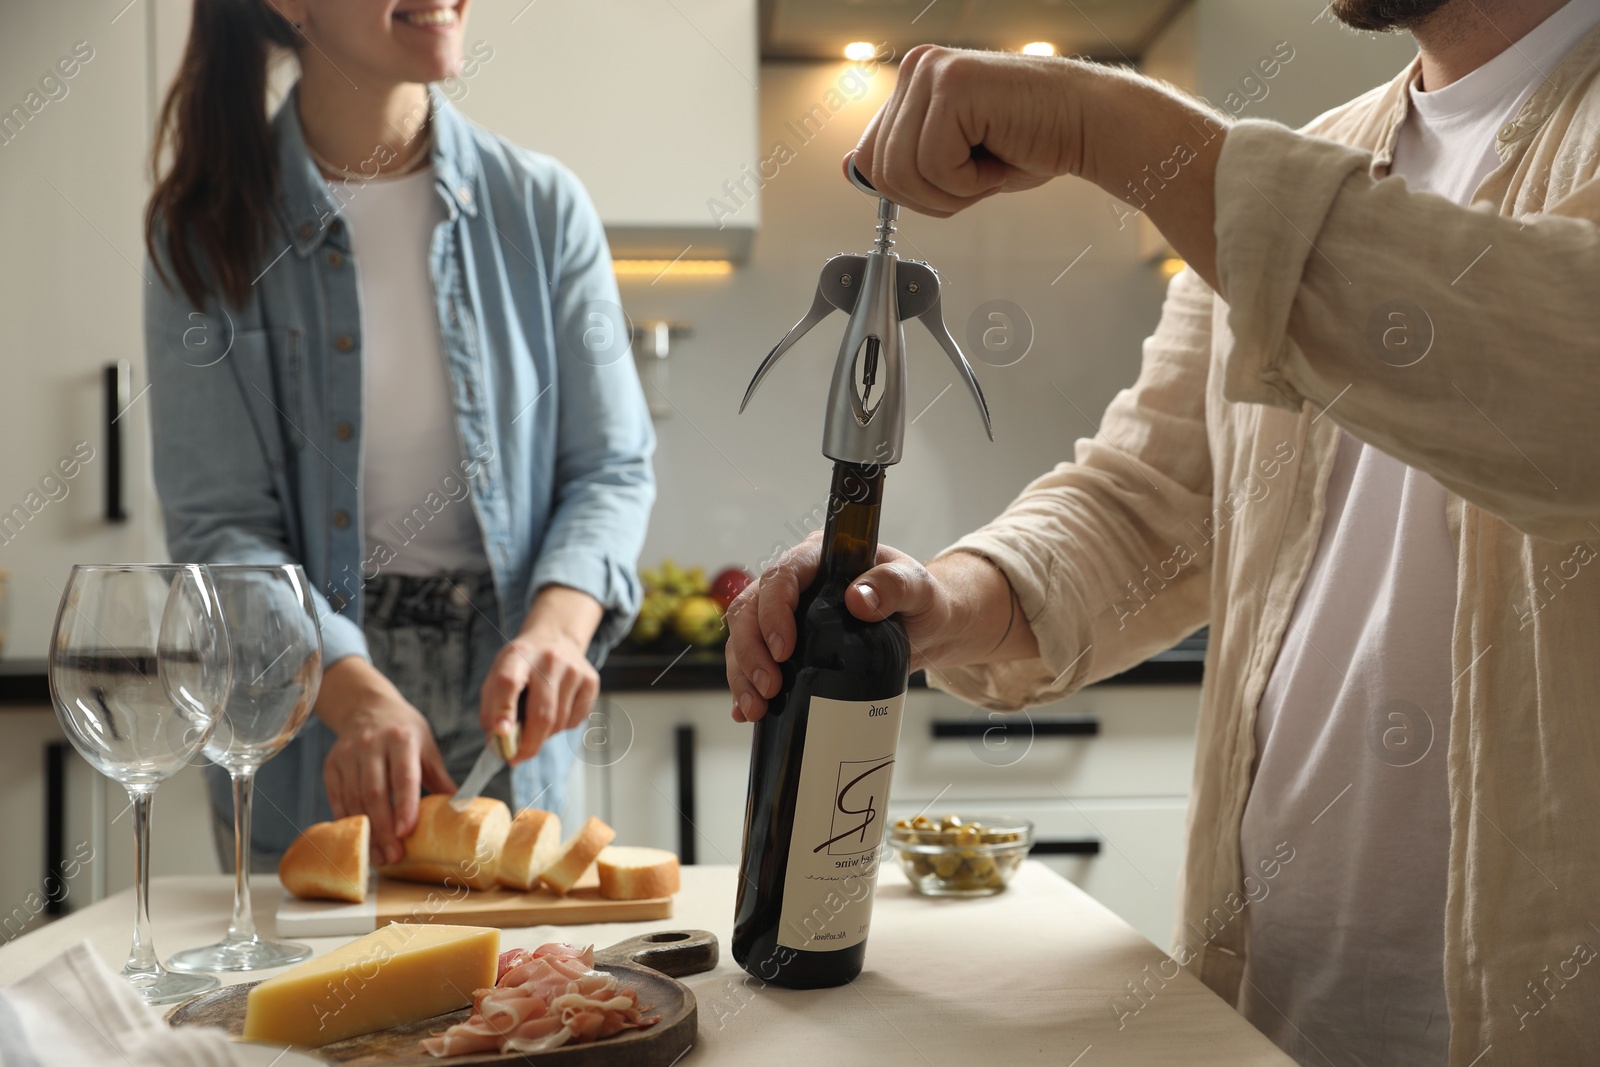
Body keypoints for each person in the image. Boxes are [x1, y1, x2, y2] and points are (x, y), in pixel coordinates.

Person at [726, 1, 1600, 1063]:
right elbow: (1148, 500)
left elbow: (1564, 383)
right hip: (1274, 1005)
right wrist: (951, 598)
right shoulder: (1317, 156)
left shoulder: (1247, 183)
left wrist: (1116, 133)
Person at [143, 0, 654, 871]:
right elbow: (221, 526)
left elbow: (609, 467)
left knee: (518, 1004)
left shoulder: (540, 207)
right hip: (309, 714)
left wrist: (559, 633)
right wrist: (359, 698)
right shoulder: (200, 234)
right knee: (301, 999)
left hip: (507, 694)